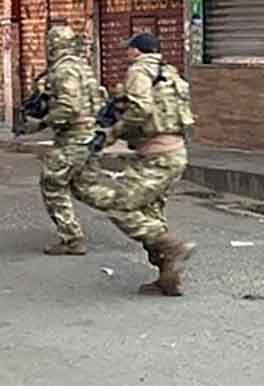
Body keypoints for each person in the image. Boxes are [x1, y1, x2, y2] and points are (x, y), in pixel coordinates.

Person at [72, 32, 195, 296]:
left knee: (120, 206)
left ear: (138, 51)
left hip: (158, 156)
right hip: (173, 152)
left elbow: (141, 109)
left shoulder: (139, 72)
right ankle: (168, 277)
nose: (126, 54)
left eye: (129, 50)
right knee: (150, 215)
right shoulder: (168, 73)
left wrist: (114, 132)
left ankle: (173, 246)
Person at [35, 23, 104, 256]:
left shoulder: (64, 70)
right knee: (85, 188)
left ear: (52, 45)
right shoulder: (83, 66)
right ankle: (130, 208)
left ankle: (72, 238)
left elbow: (69, 107)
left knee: (52, 183)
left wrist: (43, 122)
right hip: (90, 134)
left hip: (74, 137)